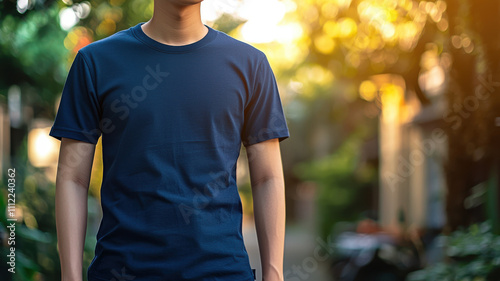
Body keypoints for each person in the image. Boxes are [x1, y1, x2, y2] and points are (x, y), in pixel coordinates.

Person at [49, 0, 290, 281]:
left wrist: (274, 273)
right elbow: (72, 179)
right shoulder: (95, 62)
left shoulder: (250, 65)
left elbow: (267, 178)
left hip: (222, 272)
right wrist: (70, 276)